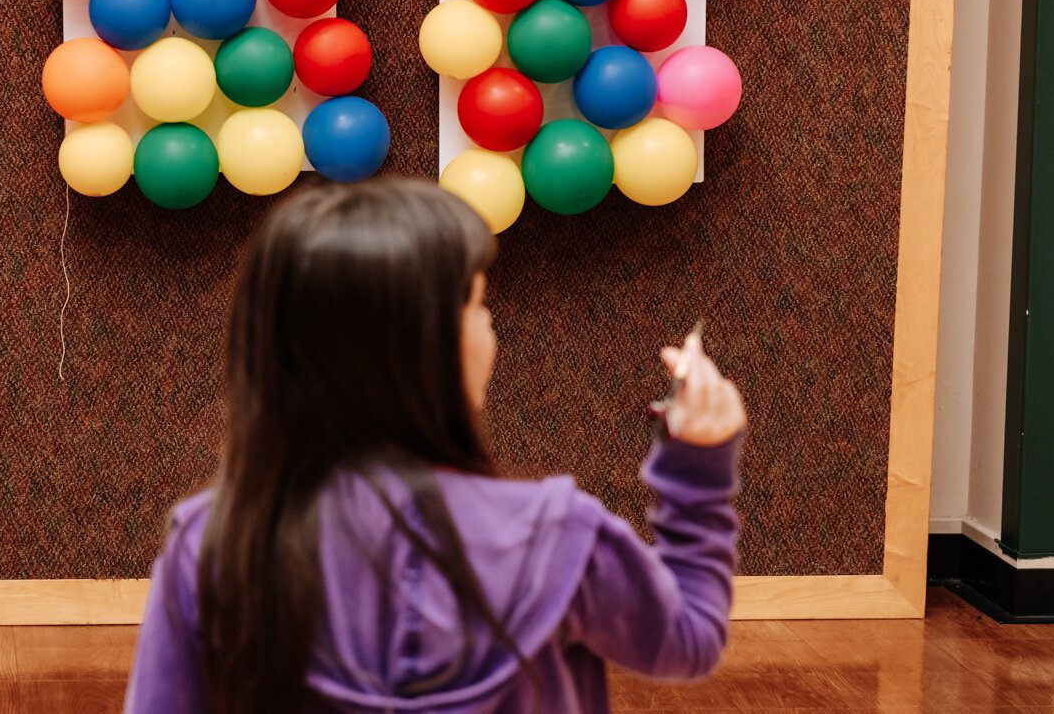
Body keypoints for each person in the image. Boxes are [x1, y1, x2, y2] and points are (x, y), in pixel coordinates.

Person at [124, 179, 745, 713]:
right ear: (424, 347)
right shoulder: (560, 534)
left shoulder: (212, 543)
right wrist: (699, 469)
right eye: (479, 304)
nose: (491, 325)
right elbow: (688, 637)